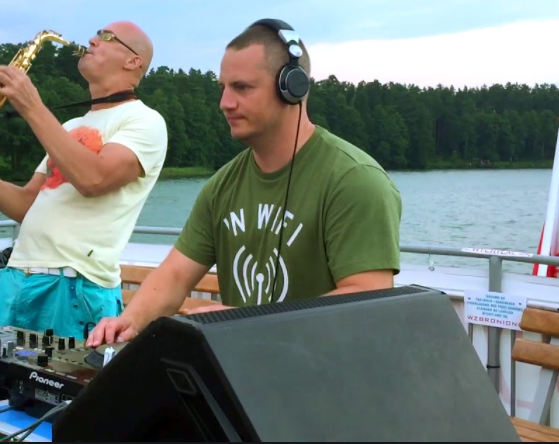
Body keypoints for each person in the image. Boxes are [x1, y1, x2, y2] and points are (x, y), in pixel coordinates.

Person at [87, 19, 402, 347]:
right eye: (223, 88)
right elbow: (176, 275)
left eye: (242, 88)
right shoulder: (222, 185)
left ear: (291, 88)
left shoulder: (355, 181)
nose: (225, 102)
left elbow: (367, 300)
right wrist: (130, 321)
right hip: (243, 370)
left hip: (325, 373)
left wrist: (245, 322)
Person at [0, 21, 168, 340]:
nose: (92, 40)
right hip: (14, 278)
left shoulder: (145, 121)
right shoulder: (68, 127)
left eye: (106, 37)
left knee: (68, 376)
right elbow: (28, 205)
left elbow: (94, 179)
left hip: (76, 286)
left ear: (133, 61)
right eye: (95, 34)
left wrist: (32, 106)